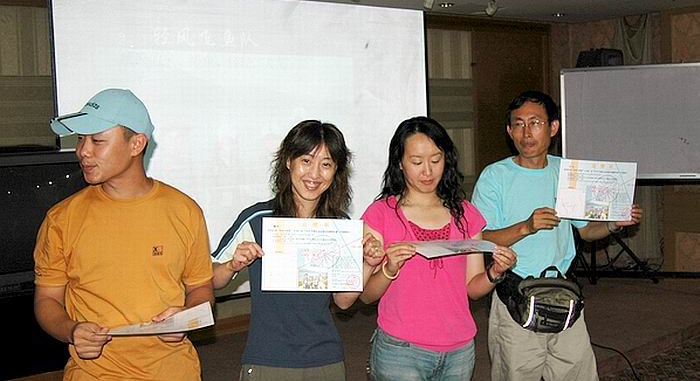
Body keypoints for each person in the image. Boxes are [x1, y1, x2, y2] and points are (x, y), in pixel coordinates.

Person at [34, 88, 214, 381]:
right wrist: (72, 330)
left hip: (173, 371)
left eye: (97, 140)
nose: (83, 151)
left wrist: (186, 318)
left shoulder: (184, 210)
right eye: (80, 139)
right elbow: (47, 300)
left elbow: (201, 289)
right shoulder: (61, 219)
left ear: (136, 144)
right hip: (93, 374)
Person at [471, 90, 643, 381]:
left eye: (535, 123)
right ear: (509, 131)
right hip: (516, 293)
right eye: (519, 124)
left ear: (553, 127)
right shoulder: (494, 177)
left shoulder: (567, 172)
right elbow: (481, 240)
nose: (527, 133)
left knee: (577, 373)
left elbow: (586, 231)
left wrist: (614, 224)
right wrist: (526, 227)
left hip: (563, 290)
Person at [211, 120, 384, 381]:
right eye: (306, 161)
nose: (314, 174)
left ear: (336, 171)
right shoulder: (257, 218)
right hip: (268, 357)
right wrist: (231, 266)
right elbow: (211, 279)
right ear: (288, 161)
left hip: (326, 358)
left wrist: (369, 263)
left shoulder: (338, 226)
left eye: (326, 164)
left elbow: (343, 300)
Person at [360, 116, 517, 381]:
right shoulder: (380, 214)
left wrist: (495, 272)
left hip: (459, 349)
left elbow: (472, 288)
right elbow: (366, 296)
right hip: (400, 349)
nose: (428, 171)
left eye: (436, 160)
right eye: (416, 162)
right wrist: (389, 268)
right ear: (400, 163)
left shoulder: (466, 214)